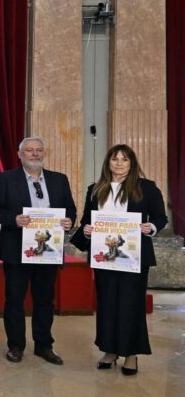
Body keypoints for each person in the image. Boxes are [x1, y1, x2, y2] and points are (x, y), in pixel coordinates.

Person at [70, 144, 166, 376]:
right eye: (115, 159)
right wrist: (87, 230)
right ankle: (110, 350)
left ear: (132, 163)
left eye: (125, 159)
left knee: (131, 305)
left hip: (134, 257)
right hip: (104, 258)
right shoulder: (96, 189)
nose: (120, 163)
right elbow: (85, 221)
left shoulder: (146, 187)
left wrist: (150, 227)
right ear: (108, 163)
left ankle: (131, 354)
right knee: (107, 304)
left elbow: (160, 218)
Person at [0, 136, 77, 365]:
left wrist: (69, 220)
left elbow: (70, 209)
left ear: (44, 153)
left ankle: (44, 345)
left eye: (39, 150)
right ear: (20, 154)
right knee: (14, 300)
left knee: (44, 300)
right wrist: (13, 219)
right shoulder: (5, 179)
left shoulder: (59, 180)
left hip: (48, 250)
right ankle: (16, 346)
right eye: (29, 150)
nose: (34, 154)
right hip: (16, 248)